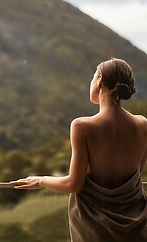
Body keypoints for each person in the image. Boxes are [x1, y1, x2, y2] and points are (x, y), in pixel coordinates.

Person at [10, 58, 147, 241]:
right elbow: (137, 172)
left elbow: (74, 184)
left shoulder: (83, 126)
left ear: (99, 80)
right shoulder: (143, 124)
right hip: (137, 225)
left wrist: (40, 180)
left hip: (95, 228)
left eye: (92, 77)